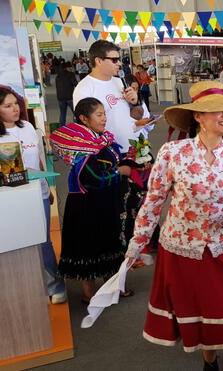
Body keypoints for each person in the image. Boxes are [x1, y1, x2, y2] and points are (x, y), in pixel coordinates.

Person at [124, 81, 223, 371]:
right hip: (182, 249)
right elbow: (153, 202)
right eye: (217, 111)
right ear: (198, 117)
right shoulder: (172, 153)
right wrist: (137, 242)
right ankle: (210, 362)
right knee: (202, 313)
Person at [50, 98, 134, 303]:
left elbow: (114, 160)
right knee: (90, 246)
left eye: (104, 113)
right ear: (83, 119)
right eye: (99, 114)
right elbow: (92, 178)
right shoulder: (83, 147)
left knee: (110, 242)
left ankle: (113, 285)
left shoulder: (103, 138)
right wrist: (119, 172)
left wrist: (133, 162)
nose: (104, 118)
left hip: (106, 202)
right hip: (87, 205)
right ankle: (90, 292)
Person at [0, 88, 66, 304]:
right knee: (19, 245)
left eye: (15, 103)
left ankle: (55, 286)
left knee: (44, 240)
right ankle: (26, 290)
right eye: (7, 106)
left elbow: (38, 161)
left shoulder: (28, 127)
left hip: (38, 194)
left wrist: (47, 189)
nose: (15, 109)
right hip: (10, 199)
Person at [73, 40, 153, 153]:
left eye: (119, 59)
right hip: (109, 154)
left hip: (134, 148)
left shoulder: (121, 82)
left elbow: (139, 116)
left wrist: (135, 102)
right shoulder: (84, 89)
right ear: (99, 61)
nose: (119, 63)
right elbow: (85, 128)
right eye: (114, 60)